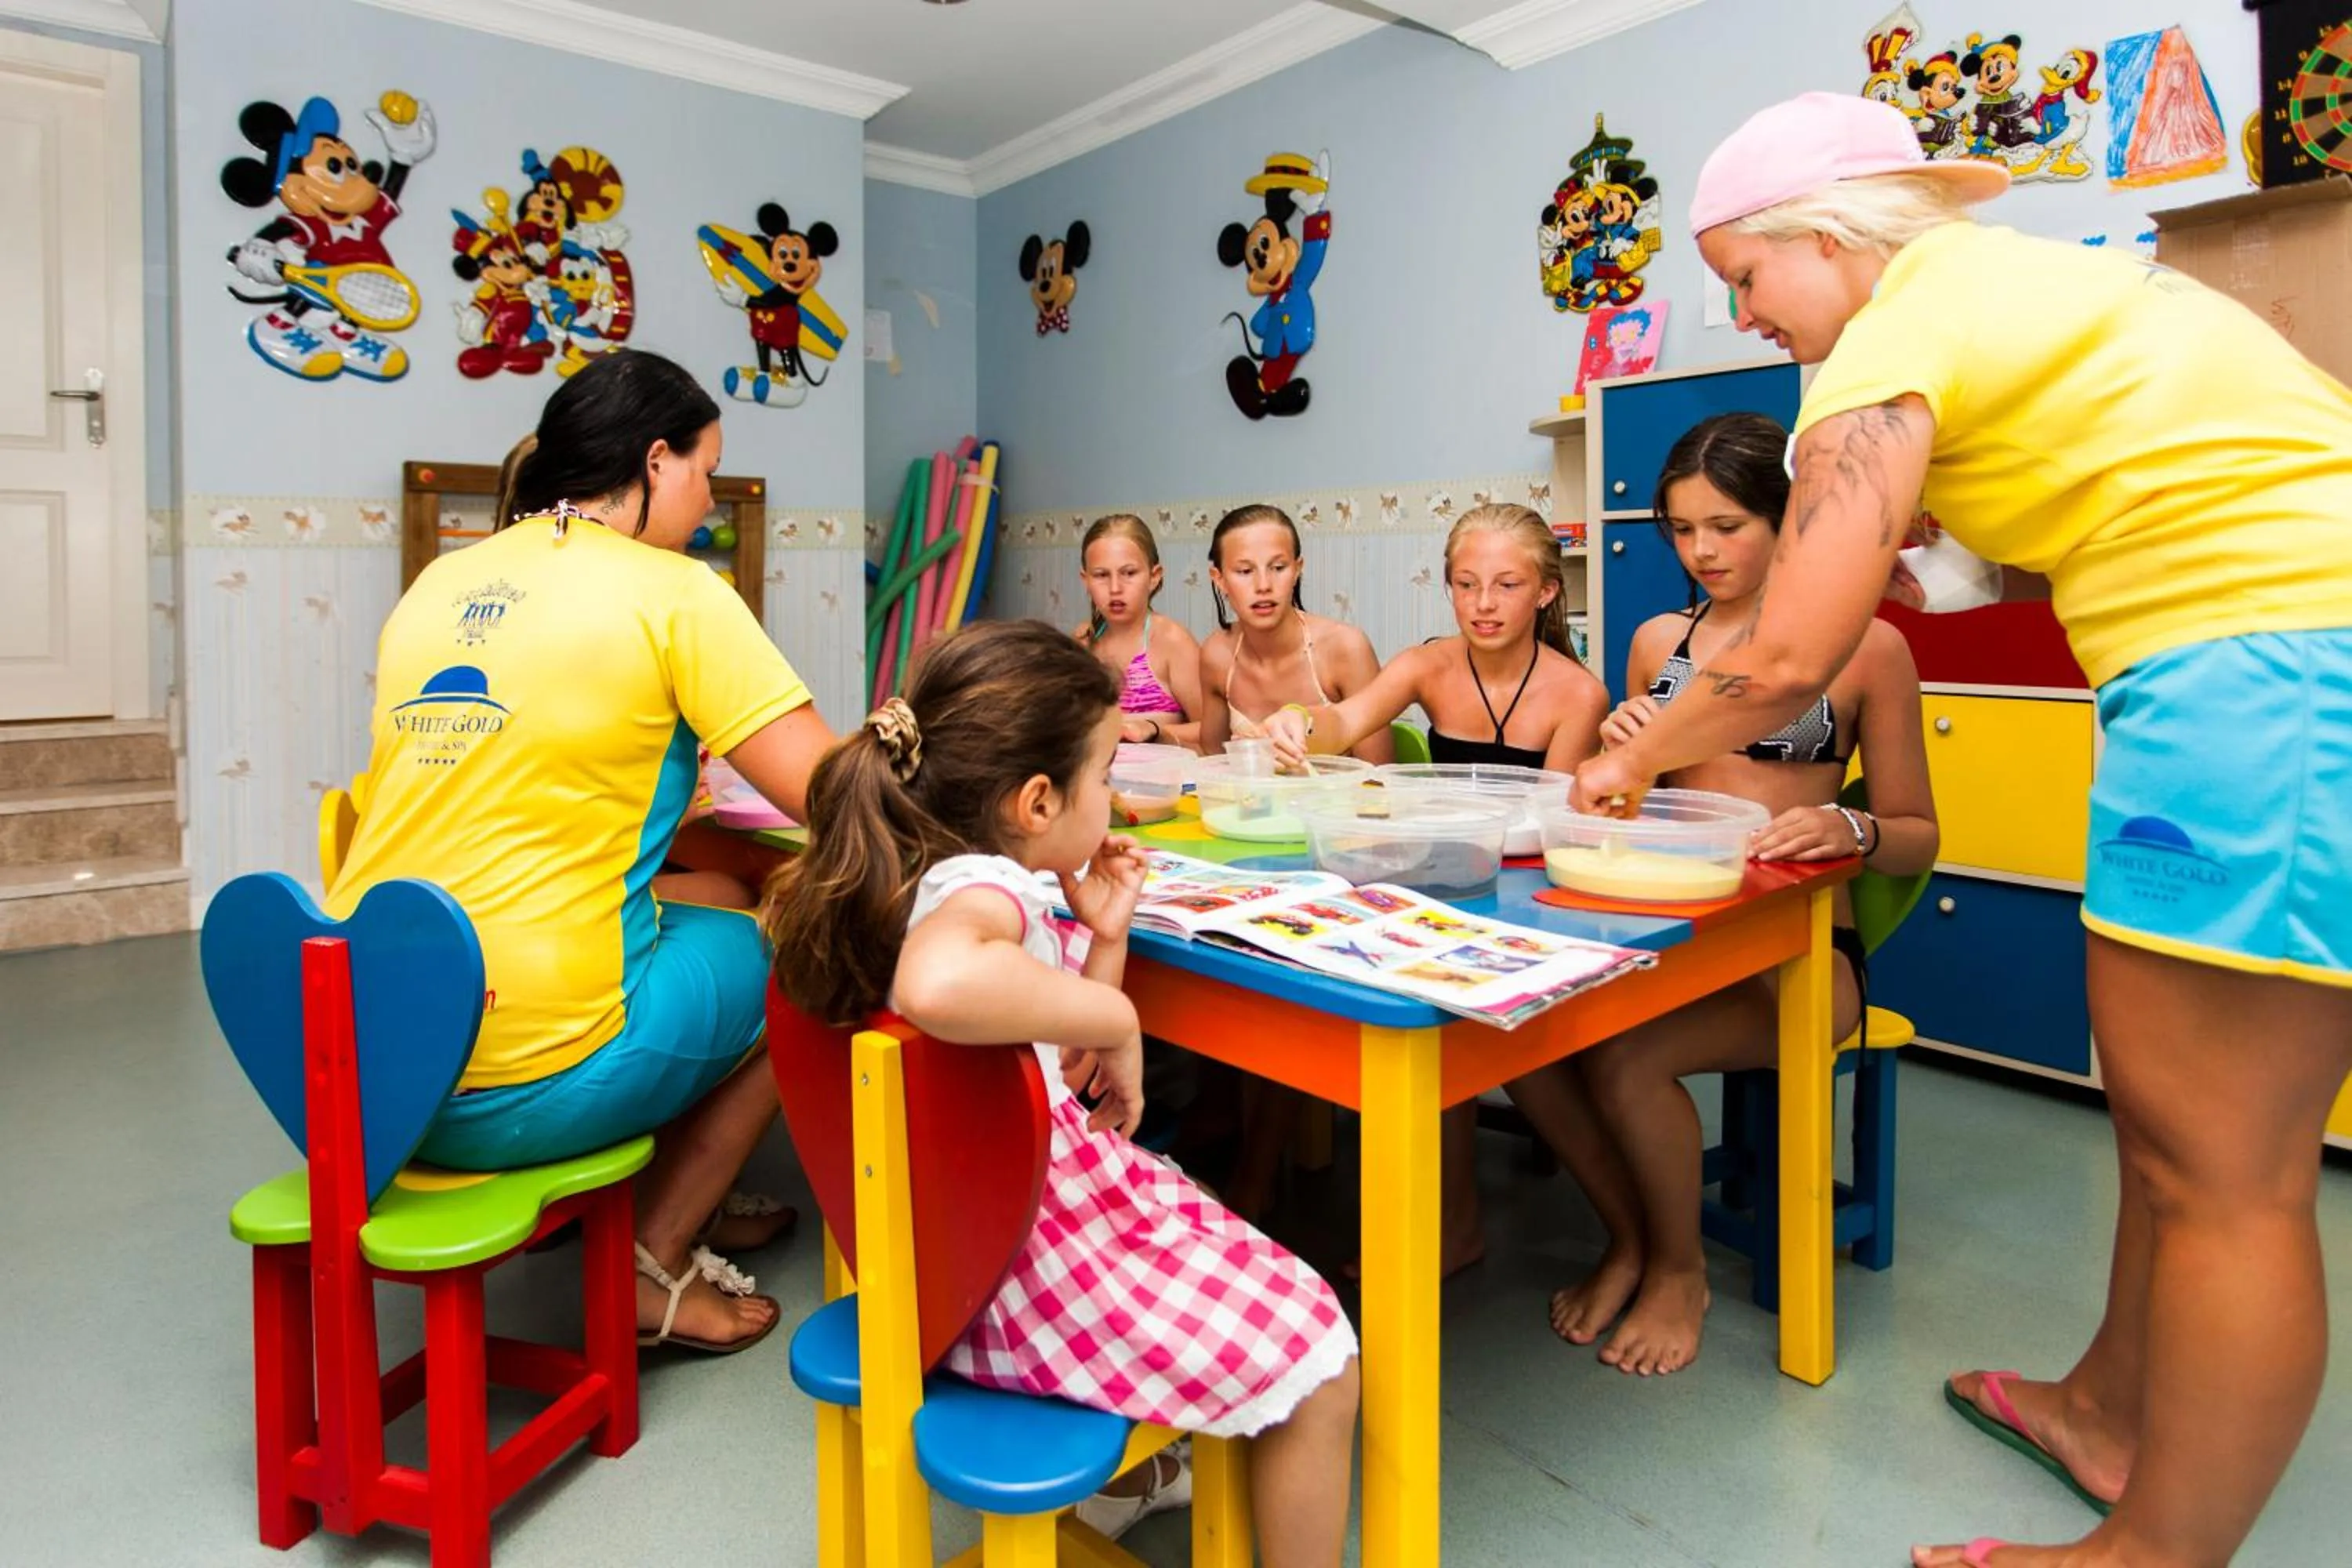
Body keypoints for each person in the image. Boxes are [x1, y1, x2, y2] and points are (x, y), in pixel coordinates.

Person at [1572, 93, 2352, 1567]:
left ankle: (2159, 1551)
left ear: (1826, 232)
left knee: (2229, 1172)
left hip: (2271, 670)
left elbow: (1788, 658)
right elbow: (2082, 506)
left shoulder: (1891, 336)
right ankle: (2110, 1409)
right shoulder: (2010, 285)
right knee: (2170, 1131)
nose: (1749, 311)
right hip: (2260, 663)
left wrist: (1626, 769)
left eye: (1748, 275)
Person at [765, 621, 1360, 1564]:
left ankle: (1146, 1472)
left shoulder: (920, 867)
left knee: (1202, 1207)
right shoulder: (983, 890)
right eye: (1107, 766)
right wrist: (1118, 1020)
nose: (1117, 788)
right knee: (1323, 1351)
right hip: (1015, 1278)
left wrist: (1105, 942)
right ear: (1039, 800)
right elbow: (940, 984)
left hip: (950, 1251)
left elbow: (1048, 1062)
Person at [327, 351, 835, 1355]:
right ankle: (655, 1256)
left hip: (368, 1065)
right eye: (704, 474)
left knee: (709, 910)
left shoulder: (442, 579)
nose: (709, 506)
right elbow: (833, 793)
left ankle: (691, 1180)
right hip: (520, 1080)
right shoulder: (674, 589)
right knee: (803, 944)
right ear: (654, 462)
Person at [1508, 412, 1936, 1376]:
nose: (1701, 550)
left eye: (1727, 525)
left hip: (1805, 956)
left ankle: (1678, 1271)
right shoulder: (1664, 639)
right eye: (1681, 527)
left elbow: (1918, 836)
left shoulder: (1869, 649)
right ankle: (1631, 1234)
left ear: (1790, 522)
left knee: (1624, 1062)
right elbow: (1631, 813)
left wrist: (1852, 827)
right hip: (1684, 932)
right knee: (1518, 1038)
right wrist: (1627, 754)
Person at [1254, 502, 1612, 1264]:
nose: (1483, 604)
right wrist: (1292, 719)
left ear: (1547, 591)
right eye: (1465, 583)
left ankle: (1476, 1222)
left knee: (1467, 1027)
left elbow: (1556, 827)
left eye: (1506, 585)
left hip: (1530, 900)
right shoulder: (1428, 663)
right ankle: (1444, 1217)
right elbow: (1341, 722)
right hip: (1446, 885)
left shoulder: (1577, 693)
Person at [1196, 504, 1391, 762]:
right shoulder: (1217, 655)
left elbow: (1378, 777)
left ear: (1297, 569)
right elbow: (1215, 759)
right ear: (1218, 579)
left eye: (1278, 567)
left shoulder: (1344, 648)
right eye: (1245, 571)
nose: (1263, 585)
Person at [1073, 513, 1204, 748]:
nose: (1115, 588)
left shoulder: (1171, 642)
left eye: (1129, 573)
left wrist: (1154, 729)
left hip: (1162, 780)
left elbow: (1215, 732)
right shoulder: (1084, 643)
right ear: (1085, 580)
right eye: (1101, 575)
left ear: (1154, 577)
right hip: (1100, 780)